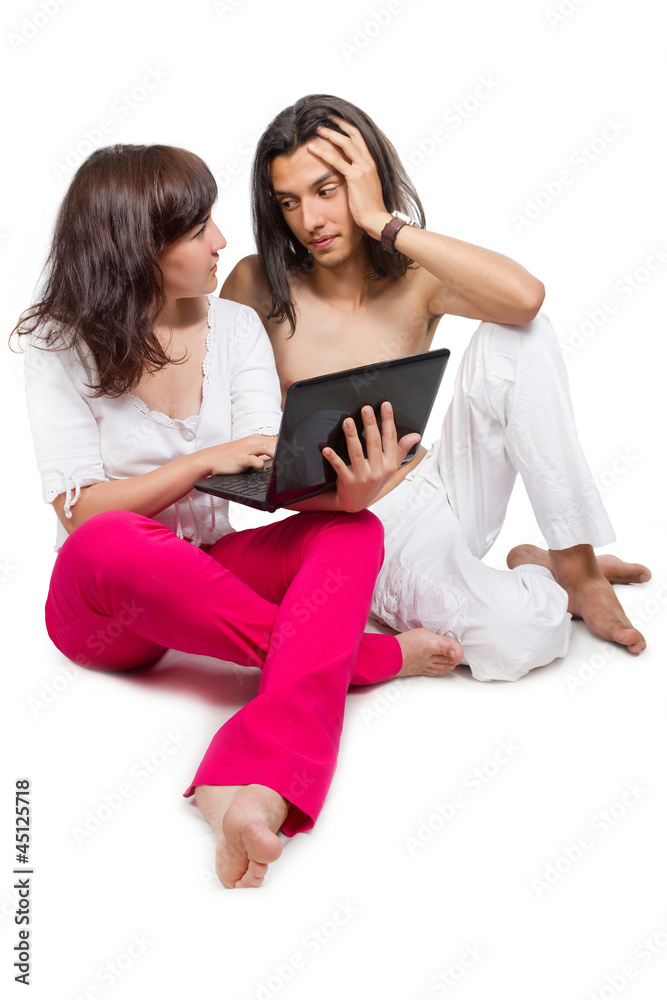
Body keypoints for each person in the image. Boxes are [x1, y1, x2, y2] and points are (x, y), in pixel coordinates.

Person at [13, 144, 462, 888]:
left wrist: (347, 493)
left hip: (207, 572)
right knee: (109, 537)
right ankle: (367, 658)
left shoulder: (235, 326)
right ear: (137, 249)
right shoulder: (56, 345)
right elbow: (80, 511)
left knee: (353, 531)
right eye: (198, 231)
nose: (222, 240)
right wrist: (198, 462)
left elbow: (261, 469)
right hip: (103, 606)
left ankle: (247, 789)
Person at [222, 94, 650, 682]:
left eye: (327, 190)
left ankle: (576, 567)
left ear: (366, 178)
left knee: (521, 337)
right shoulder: (256, 283)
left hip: (444, 478)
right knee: (520, 634)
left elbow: (526, 298)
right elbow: (230, 432)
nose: (310, 220)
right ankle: (535, 574)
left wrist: (384, 222)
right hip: (369, 523)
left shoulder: (413, 276)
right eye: (289, 202)